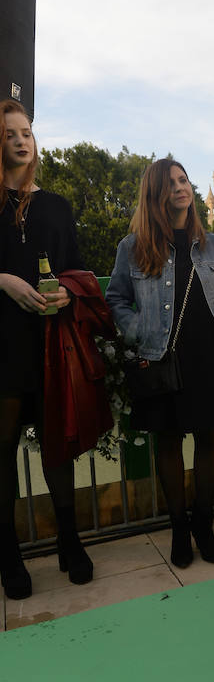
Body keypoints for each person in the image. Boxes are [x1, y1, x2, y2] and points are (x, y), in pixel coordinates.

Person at [106, 159, 214, 568]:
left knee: (207, 440)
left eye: (184, 180)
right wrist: (141, 331)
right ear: (156, 194)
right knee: (168, 441)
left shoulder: (211, 243)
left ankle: (204, 524)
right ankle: (179, 527)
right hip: (162, 355)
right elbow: (115, 299)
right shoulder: (133, 246)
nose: (182, 187)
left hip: (207, 353)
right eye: (172, 183)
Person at [0, 99, 97, 598]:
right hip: (2, 349)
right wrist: (4, 281)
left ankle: (69, 540)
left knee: (56, 449)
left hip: (49, 343)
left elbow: (77, 268)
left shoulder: (57, 205)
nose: (21, 139)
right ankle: (9, 556)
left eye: (27, 131)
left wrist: (65, 289)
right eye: (11, 132)